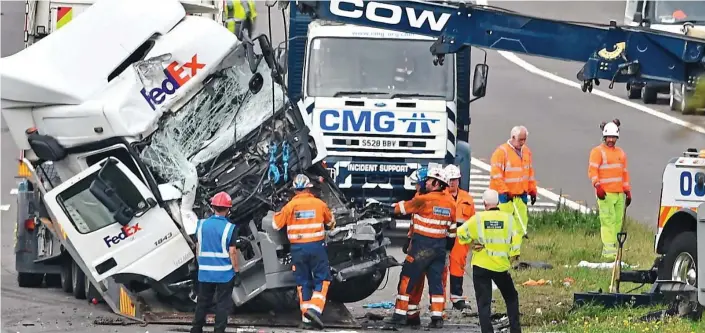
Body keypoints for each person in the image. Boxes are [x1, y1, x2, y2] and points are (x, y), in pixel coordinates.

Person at [386, 167, 456, 329]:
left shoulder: (424, 200)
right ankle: (437, 317)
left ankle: (399, 315)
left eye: (429, 180)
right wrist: (447, 250)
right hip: (438, 249)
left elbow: (401, 209)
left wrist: (385, 208)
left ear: (437, 183)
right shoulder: (450, 203)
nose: (426, 183)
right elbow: (452, 231)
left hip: (421, 248)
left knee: (407, 278)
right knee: (436, 283)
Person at [272, 174, 336, 330]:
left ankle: (306, 320)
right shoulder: (319, 204)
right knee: (323, 279)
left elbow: (275, 225)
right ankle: (314, 310)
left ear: (295, 190)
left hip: (297, 250)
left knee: (303, 283)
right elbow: (331, 223)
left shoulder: (290, 206)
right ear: (308, 187)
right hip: (316, 247)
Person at [457, 189, 522, 333]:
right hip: (501, 266)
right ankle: (515, 330)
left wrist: (471, 242)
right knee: (511, 297)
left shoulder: (478, 219)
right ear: (498, 202)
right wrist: (513, 254)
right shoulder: (508, 219)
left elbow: (460, 233)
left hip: (481, 266)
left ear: (484, 203)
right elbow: (517, 238)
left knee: (483, 302)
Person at [191, 192, 241, 333]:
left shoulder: (201, 225)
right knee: (222, 304)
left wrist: (199, 264)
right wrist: (236, 271)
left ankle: (196, 329)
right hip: (224, 274)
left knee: (203, 302)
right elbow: (232, 252)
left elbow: (198, 247)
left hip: (205, 272)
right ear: (228, 209)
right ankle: (218, 330)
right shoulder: (230, 228)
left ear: (213, 207)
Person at [489, 125, 537, 257]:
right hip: (504, 196)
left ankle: (515, 253)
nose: (522, 143)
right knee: (505, 225)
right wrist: (504, 190)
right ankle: (502, 252)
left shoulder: (526, 151)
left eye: (524, 140)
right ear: (513, 137)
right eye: (520, 140)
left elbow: (529, 172)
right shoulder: (501, 153)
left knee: (521, 226)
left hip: (521, 194)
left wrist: (532, 190)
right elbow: (496, 174)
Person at [588, 120, 631, 260]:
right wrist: (597, 185)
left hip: (619, 194)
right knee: (608, 222)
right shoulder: (597, 152)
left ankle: (616, 250)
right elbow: (592, 170)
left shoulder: (621, 153)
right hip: (605, 194)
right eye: (609, 137)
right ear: (604, 137)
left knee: (618, 222)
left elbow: (624, 173)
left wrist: (627, 191)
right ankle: (608, 253)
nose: (611, 140)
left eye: (614, 137)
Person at [444, 164, 476, 310]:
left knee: (457, 269)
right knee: (441, 270)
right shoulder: (440, 196)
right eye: (450, 180)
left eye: (455, 180)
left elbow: (473, 220)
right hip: (443, 238)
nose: (452, 183)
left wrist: (474, 239)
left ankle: (457, 299)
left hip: (460, 241)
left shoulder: (467, 198)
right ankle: (438, 300)